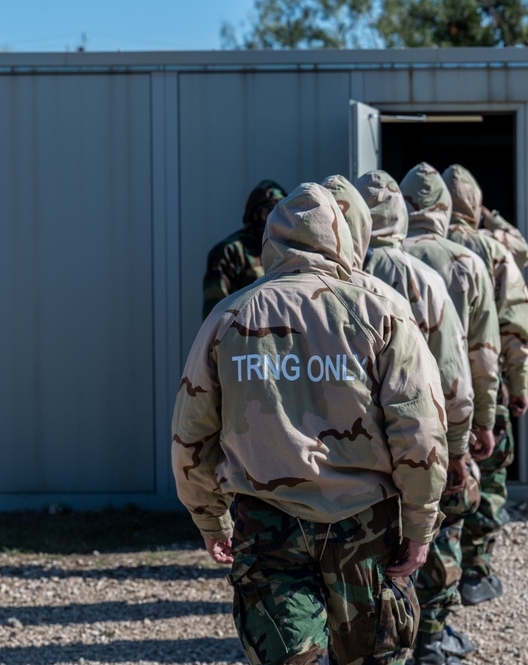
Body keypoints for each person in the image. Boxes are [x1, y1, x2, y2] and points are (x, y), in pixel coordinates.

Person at [172, 182, 447, 665]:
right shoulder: (380, 310)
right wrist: (421, 523)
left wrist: (208, 516)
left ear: (270, 241)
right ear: (343, 235)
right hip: (364, 520)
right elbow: (419, 429)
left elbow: (192, 431)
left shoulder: (229, 315)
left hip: (266, 518)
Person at [399, 162, 501, 663]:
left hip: (386, 427)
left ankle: (391, 632)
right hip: (442, 423)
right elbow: (480, 356)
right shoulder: (465, 261)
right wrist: (482, 423)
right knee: (445, 523)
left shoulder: (372, 265)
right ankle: (434, 637)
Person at [442, 163, 528, 608]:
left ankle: (430, 577)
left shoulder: (408, 250)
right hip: (484, 389)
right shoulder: (492, 249)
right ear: (475, 206)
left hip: (423, 392)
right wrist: (518, 386)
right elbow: (515, 326)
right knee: (490, 478)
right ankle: (475, 573)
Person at [201, 179, 287, 319]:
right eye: (268, 212)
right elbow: (215, 314)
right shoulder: (230, 251)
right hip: (242, 334)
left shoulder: (287, 249)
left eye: (280, 212)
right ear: (253, 214)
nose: (274, 220)